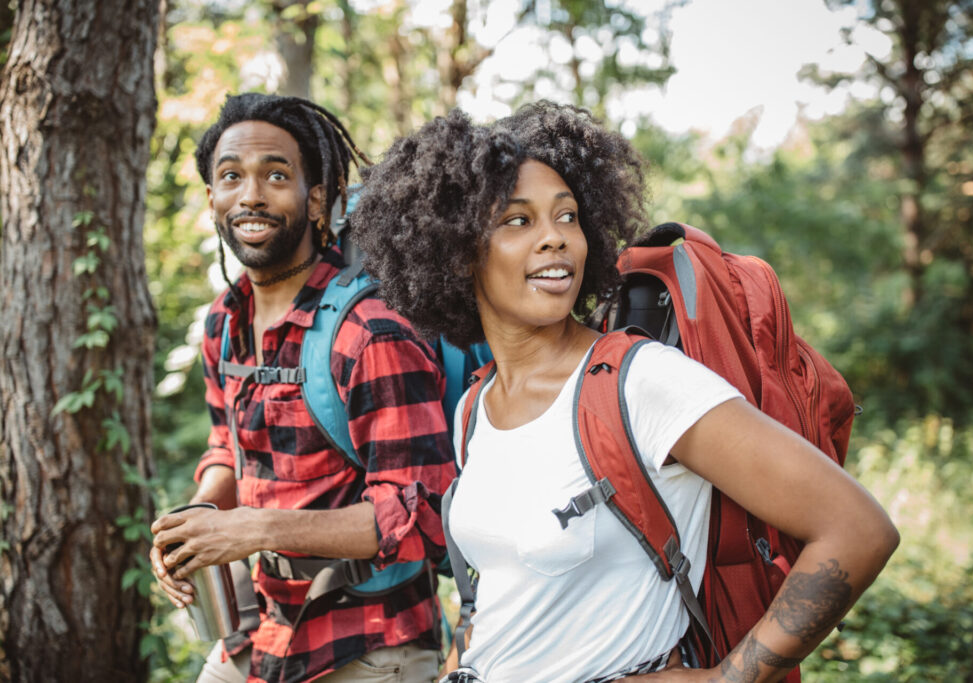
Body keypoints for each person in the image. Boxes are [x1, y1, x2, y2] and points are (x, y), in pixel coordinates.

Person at [348, 102, 900, 683]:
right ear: (457, 254)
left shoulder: (643, 383)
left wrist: (728, 678)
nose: (555, 239)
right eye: (518, 221)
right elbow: (500, 596)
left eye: (567, 217)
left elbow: (857, 529)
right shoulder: (474, 408)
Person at [149, 93, 452, 683]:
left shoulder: (371, 334)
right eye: (231, 176)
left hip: (367, 644)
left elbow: (421, 519)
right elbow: (225, 447)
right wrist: (198, 522)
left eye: (276, 175)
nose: (252, 195)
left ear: (316, 199)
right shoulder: (223, 322)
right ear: (212, 200)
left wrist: (253, 529)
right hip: (256, 629)